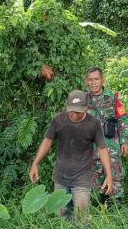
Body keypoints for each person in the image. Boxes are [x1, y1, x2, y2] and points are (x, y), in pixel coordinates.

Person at [29, 90, 115, 218]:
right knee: (61, 217)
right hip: (60, 177)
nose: (74, 115)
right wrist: (35, 164)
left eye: (78, 112)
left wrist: (109, 175)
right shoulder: (59, 120)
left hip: (82, 179)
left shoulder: (93, 123)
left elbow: (102, 149)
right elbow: (47, 141)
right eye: (71, 111)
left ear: (86, 108)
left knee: (81, 218)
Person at [85, 66, 128, 203]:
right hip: (91, 147)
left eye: (96, 79)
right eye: (90, 80)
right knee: (93, 178)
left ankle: (116, 205)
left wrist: (124, 140)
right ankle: (97, 204)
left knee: (115, 175)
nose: (93, 83)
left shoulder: (113, 98)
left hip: (110, 144)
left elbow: (123, 118)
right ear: (87, 81)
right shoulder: (83, 100)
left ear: (102, 80)